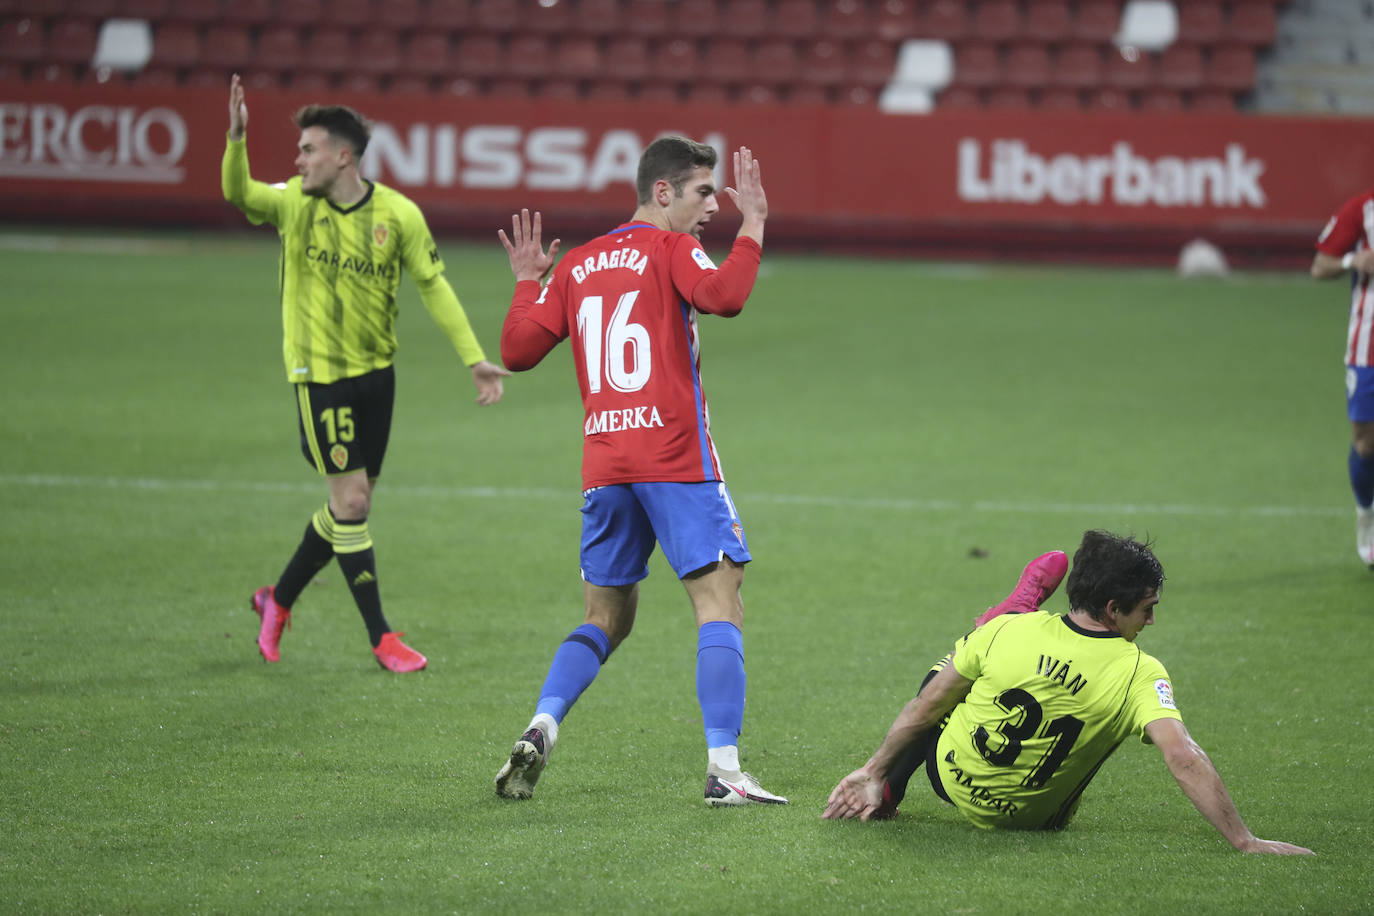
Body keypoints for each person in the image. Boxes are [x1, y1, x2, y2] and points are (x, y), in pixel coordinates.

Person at [491, 137, 785, 806]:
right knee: (720, 604)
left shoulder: (583, 263)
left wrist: (527, 281)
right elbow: (725, 295)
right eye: (702, 193)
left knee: (606, 617)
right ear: (662, 192)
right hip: (677, 460)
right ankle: (725, 772)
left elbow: (516, 350)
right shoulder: (670, 248)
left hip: (606, 464)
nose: (713, 205)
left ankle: (543, 722)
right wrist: (757, 225)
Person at [221, 74, 509, 672]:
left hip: (378, 376)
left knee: (351, 508)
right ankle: (382, 638)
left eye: (309, 149)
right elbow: (240, 195)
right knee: (351, 501)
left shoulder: (397, 214)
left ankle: (276, 599)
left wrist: (473, 358)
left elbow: (433, 285)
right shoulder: (294, 206)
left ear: (343, 156)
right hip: (319, 376)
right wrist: (236, 139)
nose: (298, 160)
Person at [823, 531, 1314, 856]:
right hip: (1036, 821)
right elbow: (1182, 756)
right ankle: (1009, 611)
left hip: (948, 778)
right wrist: (1245, 841)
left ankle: (1010, 613)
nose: (1152, 621)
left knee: (948, 673)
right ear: (1113, 607)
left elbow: (927, 708)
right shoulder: (1140, 672)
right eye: (1146, 610)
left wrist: (873, 771)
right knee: (973, 663)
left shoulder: (1012, 637)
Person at [1311, 190, 1374, 568]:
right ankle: (1367, 512)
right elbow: (1321, 265)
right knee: (1366, 444)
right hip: (1368, 348)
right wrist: (1355, 259)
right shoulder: (1363, 209)